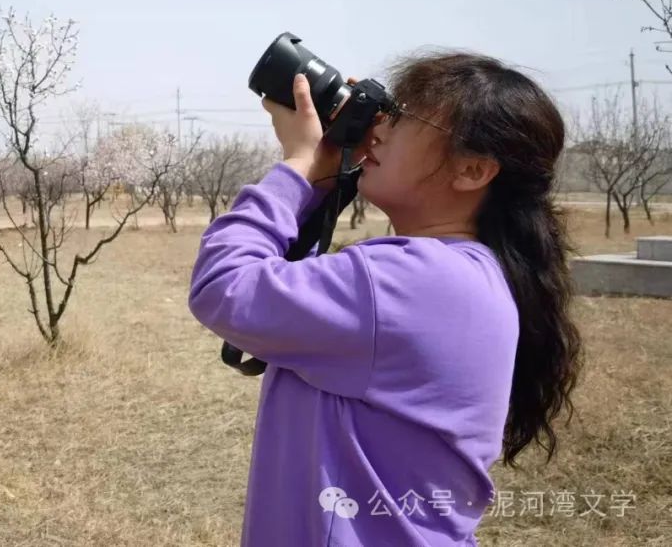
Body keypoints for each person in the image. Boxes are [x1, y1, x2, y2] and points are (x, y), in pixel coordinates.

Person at [188, 51, 583, 546]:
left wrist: (297, 166)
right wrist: (326, 175)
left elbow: (223, 285)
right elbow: (283, 292)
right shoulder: (463, 275)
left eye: (401, 117)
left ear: (473, 170)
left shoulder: (415, 280)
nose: (377, 129)